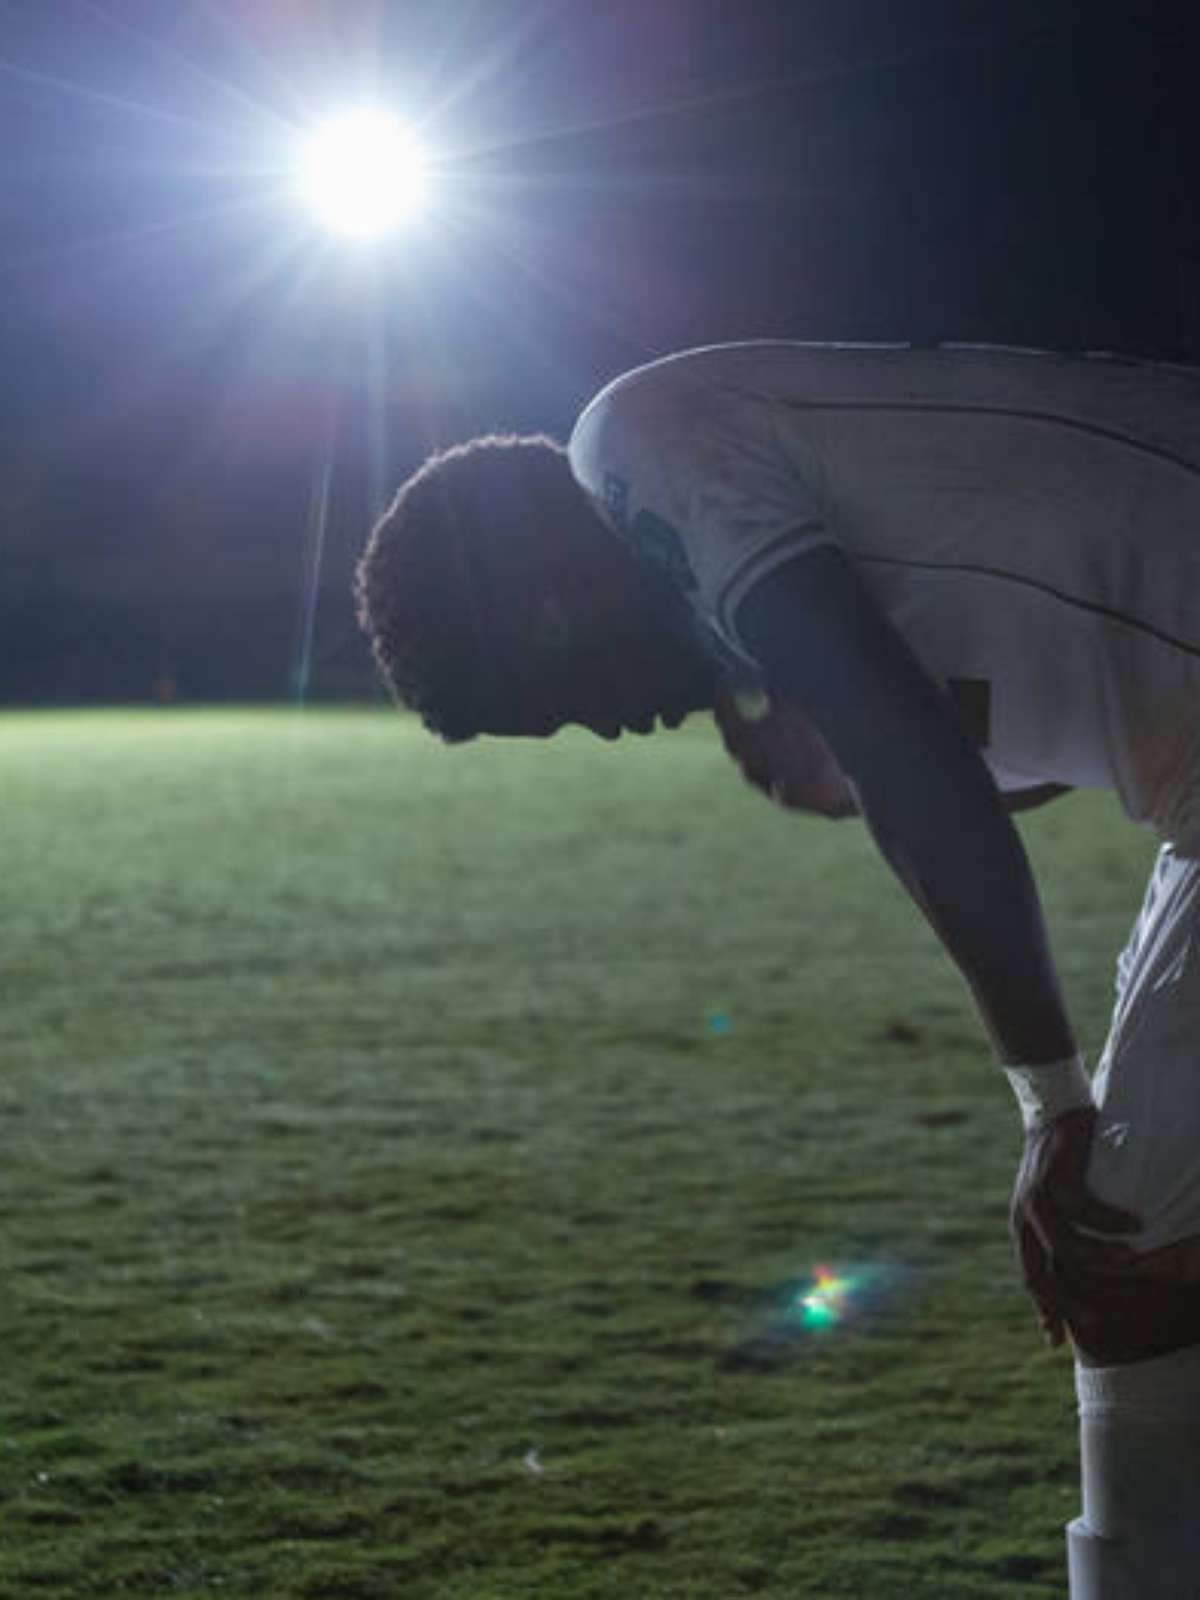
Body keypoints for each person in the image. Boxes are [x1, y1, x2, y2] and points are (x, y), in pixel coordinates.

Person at [355, 341, 1200, 1597]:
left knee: (1117, 1235)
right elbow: (1051, 705)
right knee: (1135, 1243)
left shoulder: (630, 443)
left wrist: (1050, 1097)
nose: (604, 727)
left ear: (544, 597)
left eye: (555, 699)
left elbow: (929, 772)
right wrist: (864, 766)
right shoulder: (738, 535)